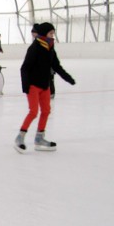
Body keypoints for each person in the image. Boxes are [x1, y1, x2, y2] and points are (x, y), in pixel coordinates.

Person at [15, 22, 75, 153]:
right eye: (51, 33)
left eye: (53, 33)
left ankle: (39, 138)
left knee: (46, 111)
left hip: (45, 85)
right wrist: (25, 85)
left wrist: (68, 78)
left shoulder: (50, 47)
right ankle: (20, 137)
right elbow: (24, 68)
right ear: (44, 34)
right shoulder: (35, 47)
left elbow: (56, 66)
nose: (53, 35)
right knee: (33, 112)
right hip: (33, 85)